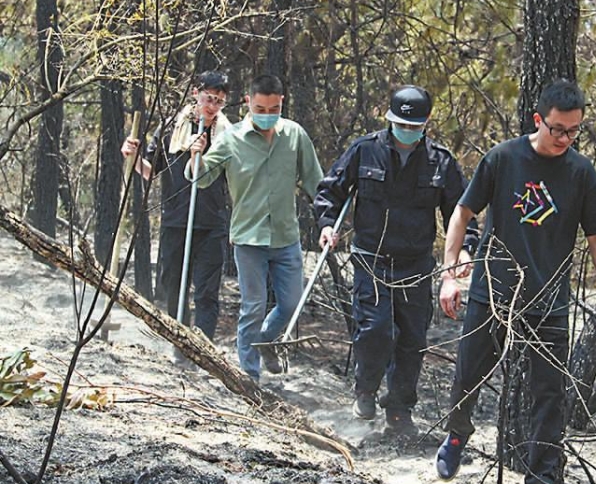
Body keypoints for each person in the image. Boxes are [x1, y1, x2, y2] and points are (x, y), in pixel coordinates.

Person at [435, 80, 596, 484]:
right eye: (557, 129)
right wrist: (450, 275)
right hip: (493, 292)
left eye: (573, 131)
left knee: (549, 392)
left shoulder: (581, 172)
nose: (564, 139)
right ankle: (457, 436)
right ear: (538, 120)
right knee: (468, 376)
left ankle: (542, 479)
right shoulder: (502, 159)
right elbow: (462, 214)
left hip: (549, 300)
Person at [313, 85, 479, 434]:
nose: (407, 132)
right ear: (389, 120)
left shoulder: (441, 161)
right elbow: (331, 191)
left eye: (414, 126)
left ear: (426, 124)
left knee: (412, 340)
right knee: (376, 329)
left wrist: (465, 248)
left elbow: (460, 213)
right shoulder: (365, 151)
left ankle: (400, 407)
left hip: (416, 265)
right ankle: (366, 389)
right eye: (401, 124)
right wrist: (328, 225)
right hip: (372, 259)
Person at [187, 73, 323, 382]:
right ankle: (249, 377)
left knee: (290, 304)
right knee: (253, 306)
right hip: (249, 238)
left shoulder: (295, 135)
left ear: (281, 103)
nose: (266, 114)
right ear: (249, 102)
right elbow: (202, 177)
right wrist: (197, 156)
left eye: (272, 108)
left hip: (286, 237)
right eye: (259, 108)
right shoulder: (231, 138)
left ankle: (264, 340)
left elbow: (317, 183)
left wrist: (330, 216)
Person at [120, 71, 232, 345]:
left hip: (212, 221)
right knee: (173, 286)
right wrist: (132, 156)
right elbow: (149, 171)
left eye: (219, 101)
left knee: (206, 291)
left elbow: (235, 175)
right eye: (208, 98)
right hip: (176, 219)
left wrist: (204, 152)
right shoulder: (172, 127)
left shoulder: (229, 134)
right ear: (196, 94)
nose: (212, 106)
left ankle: (204, 347)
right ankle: (180, 343)